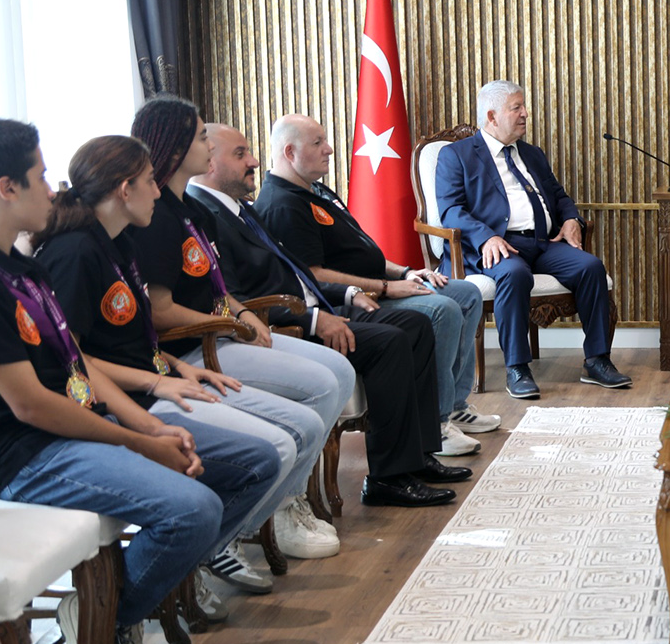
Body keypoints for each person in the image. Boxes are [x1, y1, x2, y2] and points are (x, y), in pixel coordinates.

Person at [0, 120, 273, 644]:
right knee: (193, 511)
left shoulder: (14, 264)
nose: (53, 189)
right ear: (6, 188)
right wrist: (142, 443)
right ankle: (108, 620)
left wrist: (150, 422)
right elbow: (31, 405)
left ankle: (109, 610)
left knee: (249, 464)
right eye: (39, 177)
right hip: (21, 455)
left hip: (70, 427)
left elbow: (74, 360)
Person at [35, 135, 339, 575]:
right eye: (148, 182)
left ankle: (205, 552)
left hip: (159, 377)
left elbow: (136, 336)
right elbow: (73, 359)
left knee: (297, 429)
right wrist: (158, 383)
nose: (157, 192)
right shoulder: (76, 253)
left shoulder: (117, 241)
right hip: (126, 398)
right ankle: (200, 557)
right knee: (272, 448)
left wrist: (175, 367)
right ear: (125, 190)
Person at [126, 97, 357, 574]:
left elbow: (217, 288)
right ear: (176, 147)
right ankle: (273, 511)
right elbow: (160, 312)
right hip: (192, 346)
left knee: (338, 370)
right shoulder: (155, 216)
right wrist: (229, 323)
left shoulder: (191, 209)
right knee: (319, 385)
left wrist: (242, 312)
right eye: (201, 138)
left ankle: (284, 499)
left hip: (222, 331)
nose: (208, 147)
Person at [188, 123, 467, 508]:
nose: (253, 161)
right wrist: (315, 319)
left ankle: (416, 457)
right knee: (390, 340)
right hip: (286, 324)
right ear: (210, 161)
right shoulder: (208, 214)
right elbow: (236, 297)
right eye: (240, 154)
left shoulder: (241, 210)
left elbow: (297, 272)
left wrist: (349, 293)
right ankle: (388, 477)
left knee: (414, 324)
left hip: (318, 307)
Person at [252, 113, 495, 453]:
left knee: (466, 292)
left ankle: (454, 405)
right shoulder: (282, 205)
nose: (329, 149)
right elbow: (313, 275)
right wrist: (385, 287)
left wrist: (405, 272)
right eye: (318, 143)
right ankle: (436, 424)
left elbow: (361, 251)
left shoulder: (314, 189)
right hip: (352, 300)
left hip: (380, 285)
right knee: (443, 309)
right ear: (290, 152)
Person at [432, 80, 628, 400]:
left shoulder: (532, 154)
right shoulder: (457, 155)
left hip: (541, 242)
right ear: (492, 116)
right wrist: (486, 238)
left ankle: (597, 360)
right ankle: (517, 367)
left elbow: (559, 196)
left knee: (590, 267)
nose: (526, 113)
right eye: (517, 108)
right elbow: (451, 210)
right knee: (514, 274)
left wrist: (570, 219)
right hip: (496, 246)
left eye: (524, 106)